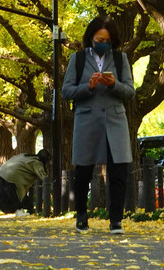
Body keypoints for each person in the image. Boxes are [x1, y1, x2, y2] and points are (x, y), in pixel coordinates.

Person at [61, 16, 135, 234]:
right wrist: (88, 86)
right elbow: (66, 91)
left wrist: (114, 85)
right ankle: (82, 217)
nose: (102, 43)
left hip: (115, 120)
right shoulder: (79, 59)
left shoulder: (121, 59)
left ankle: (116, 221)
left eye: (107, 39)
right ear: (90, 38)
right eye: (98, 38)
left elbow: (130, 92)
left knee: (118, 172)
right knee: (83, 173)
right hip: (87, 120)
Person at [0, 149, 50, 216]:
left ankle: (9, 209)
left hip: (2, 171)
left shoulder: (25, 156)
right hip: (12, 176)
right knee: (17, 197)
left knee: (6, 194)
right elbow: (44, 178)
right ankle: (19, 211)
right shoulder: (37, 163)